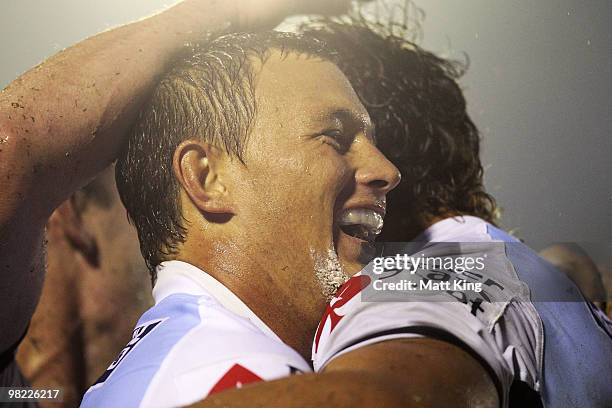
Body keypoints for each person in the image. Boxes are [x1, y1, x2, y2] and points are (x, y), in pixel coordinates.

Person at [2, 1, 389, 405]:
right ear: (205, 177)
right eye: (333, 136)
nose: (388, 171)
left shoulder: (152, 377)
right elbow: (12, 156)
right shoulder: (240, 376)